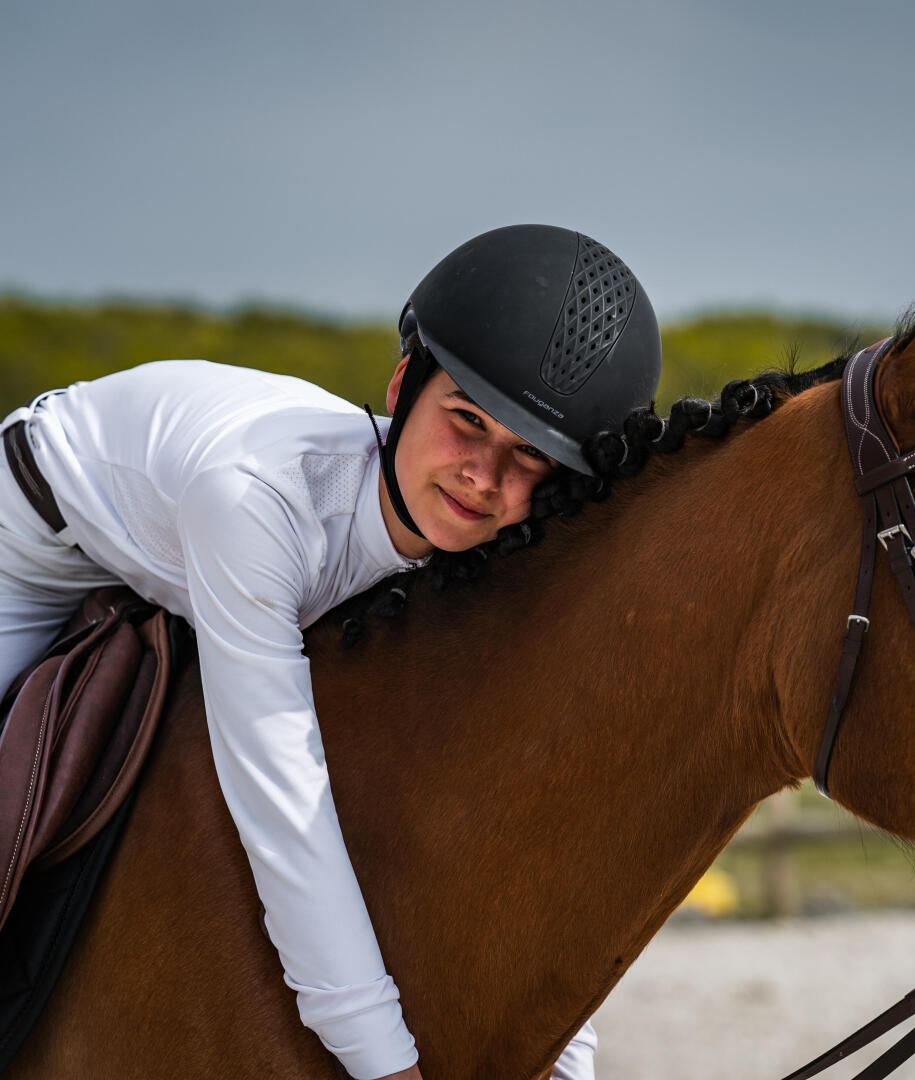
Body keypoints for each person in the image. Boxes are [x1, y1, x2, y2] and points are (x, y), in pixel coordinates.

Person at [0, 224, 662, 1079]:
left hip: (170, 539)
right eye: (465, 422)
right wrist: (385, 1066)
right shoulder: (255, 502)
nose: (483, 479)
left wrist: (565, 1058)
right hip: (28, 542)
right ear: (402, 384)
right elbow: (286, 808)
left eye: (529, 457)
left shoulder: (483, 546)